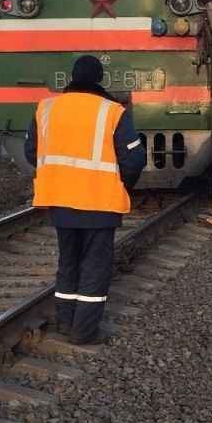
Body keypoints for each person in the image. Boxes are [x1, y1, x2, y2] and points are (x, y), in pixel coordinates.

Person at [24, 55, 145, 346]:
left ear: (72, 78)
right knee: (95, 267)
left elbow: (32, 152)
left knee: (68, 263)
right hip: (99, 203)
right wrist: (120, 183)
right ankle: (85, 332)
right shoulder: (112, 112)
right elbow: (135, 159)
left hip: (60, 202)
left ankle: (65, 323)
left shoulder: (46, 109)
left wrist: (57, 176)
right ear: (98, 79)